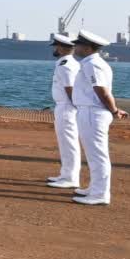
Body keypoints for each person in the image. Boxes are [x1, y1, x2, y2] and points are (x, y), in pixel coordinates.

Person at [70, 30, 128, 205]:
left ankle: (100, 194)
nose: (75, 47)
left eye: (78, 44)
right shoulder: (92, 63)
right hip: (90, 111)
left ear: (87, 47)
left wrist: (114, 110)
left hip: (92, 112)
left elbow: (101, 90)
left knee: (98, 155)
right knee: (93, 153)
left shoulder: (92, 64)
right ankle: (95, 188)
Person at [45, 34, 82, 189]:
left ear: (62, 47)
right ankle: (66, 174)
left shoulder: (66, 65)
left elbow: (70, 89)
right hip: (64, 106)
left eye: (57, 46)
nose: (55, 48)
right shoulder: (66, 63)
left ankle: (71, 177)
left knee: (69, 143)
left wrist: (75, 108)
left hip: (67, 107)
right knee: (65, 142)